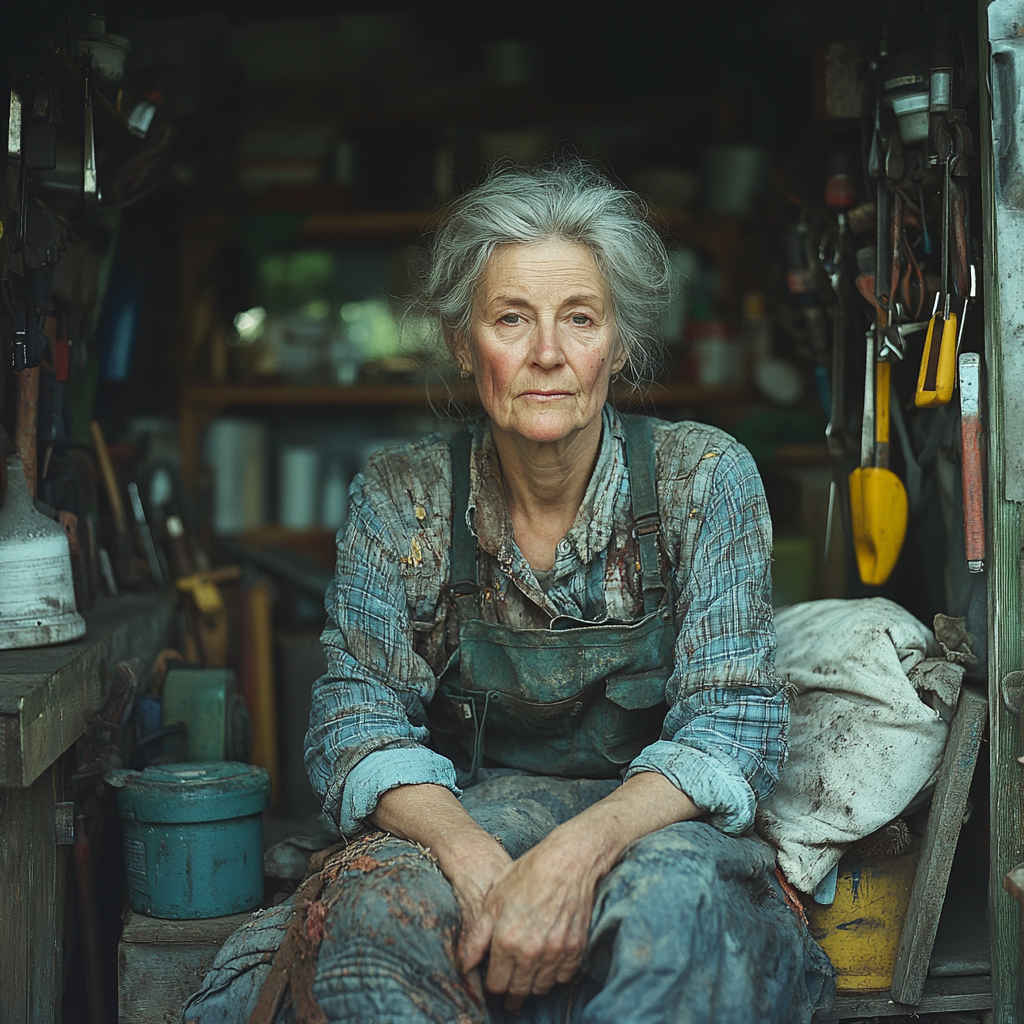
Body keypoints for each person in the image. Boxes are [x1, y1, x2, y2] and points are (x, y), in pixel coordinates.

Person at [183, 162, 834, 1024]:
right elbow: (355, 727)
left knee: (675, 921)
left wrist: (575, 853)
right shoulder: (401, 496)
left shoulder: (703, 479)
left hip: (658, 829)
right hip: (465, 818)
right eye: (511, 319)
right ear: (464, 344)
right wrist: (471, 856)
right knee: (375, 924)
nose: (548, 355)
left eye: (579, 318)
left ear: (621, 343)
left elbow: (731, 730)